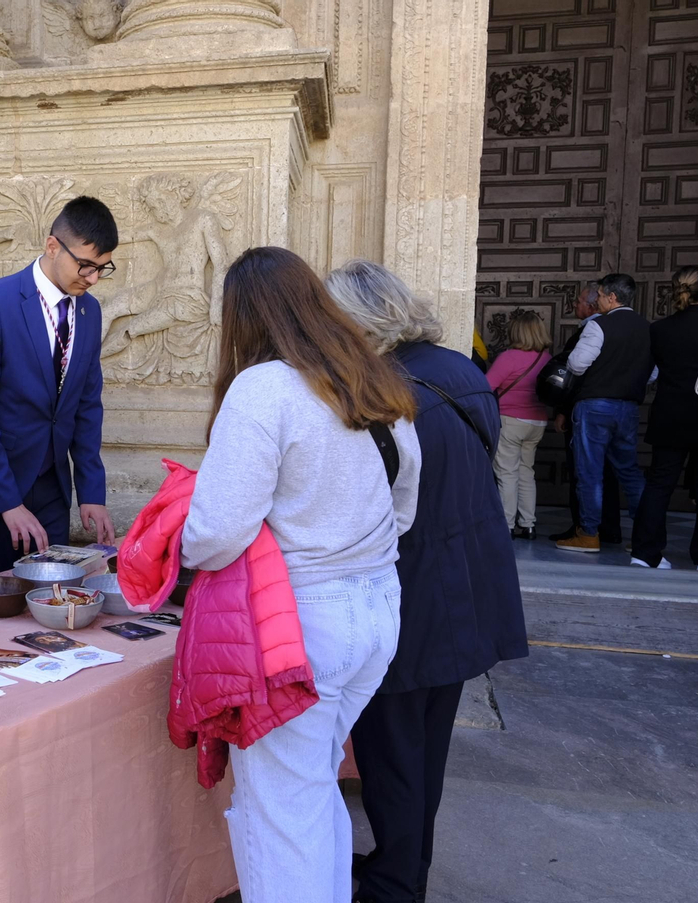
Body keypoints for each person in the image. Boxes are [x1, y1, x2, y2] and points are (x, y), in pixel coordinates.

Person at [181, 247, 422, 903]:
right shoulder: (373, 382)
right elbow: (404, 508)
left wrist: (176, 538)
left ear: (241, 318)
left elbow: (217, 532)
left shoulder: (263, 388)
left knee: (280, 815)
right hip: (376, 613)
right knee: (312, 790)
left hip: (299, 628)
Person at [327, 260, 528, 903]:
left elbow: (370, 497)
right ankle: (407, 868)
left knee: (391, 748)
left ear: (357, 320)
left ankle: (395, 883)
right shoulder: (458, 369)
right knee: (427, 745)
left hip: (414, 585)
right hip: (470, 577)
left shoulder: (385, 387)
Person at [0, 196, 119, 570]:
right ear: (52, 246)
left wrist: (91, 493)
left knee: (49, 599)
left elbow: (87, 406)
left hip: (51, 490)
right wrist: (8, 501)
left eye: (103, 269)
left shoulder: (90, 311)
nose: (92, 279)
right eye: (86, 266)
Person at [629, 267, 698, 570]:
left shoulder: (659, 329)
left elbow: (651, 371)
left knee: (659, 485)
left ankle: (645, 554)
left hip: (669, 415)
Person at [557, 273, 651, 553]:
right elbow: (654, 371)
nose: (596, 300)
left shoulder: (600, 325)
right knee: (629, 471)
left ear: (612, 297)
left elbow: (577, 363)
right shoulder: (647, 328)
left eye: (599, 295)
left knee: (590, 472)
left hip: (595, 406)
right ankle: (644, 534)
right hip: (629, 407)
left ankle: (588, 534)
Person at [550, 283, 621, 544]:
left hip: (588, 410)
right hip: (621, 410)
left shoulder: (591, 331)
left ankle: (584, 528)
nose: (575, 305)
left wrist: (563, 411)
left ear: (593, 305)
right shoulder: (624, 328)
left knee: (584, 471)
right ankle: (611, 528)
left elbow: (573, 376)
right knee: (610, 471)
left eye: (579, 301)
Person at [485, 309, 551, 538]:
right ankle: (529, 523)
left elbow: (486, 386)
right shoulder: (546, 358)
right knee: (526, 471)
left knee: (506, 473)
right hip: (538, 421)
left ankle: (507, 525)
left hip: (511, 420)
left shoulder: (509, 357)